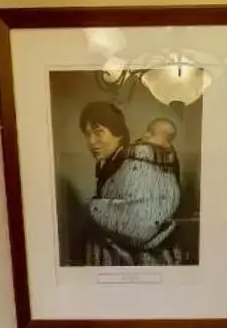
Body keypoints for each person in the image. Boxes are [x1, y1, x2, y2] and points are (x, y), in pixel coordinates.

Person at [77, 102, 181, 265]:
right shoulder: (115, 163)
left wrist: (92, 208)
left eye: (98, 132)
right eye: (87, 134)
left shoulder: (138, 163)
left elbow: (142, 227)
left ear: (118, 133)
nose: (91, 141)